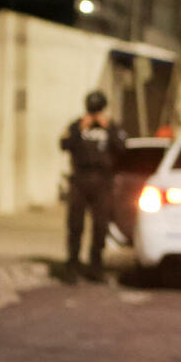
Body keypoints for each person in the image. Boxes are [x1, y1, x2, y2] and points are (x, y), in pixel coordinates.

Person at [59, 89, 126, 283]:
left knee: (100, 226)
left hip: (102, 182)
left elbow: (123, 147)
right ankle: (72, 266)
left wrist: (109, 128)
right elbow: (64, 144)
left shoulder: (110, 126)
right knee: (75, 225)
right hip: (80, 180)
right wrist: (80, 128)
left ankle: (96, 266)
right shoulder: (77, 125)